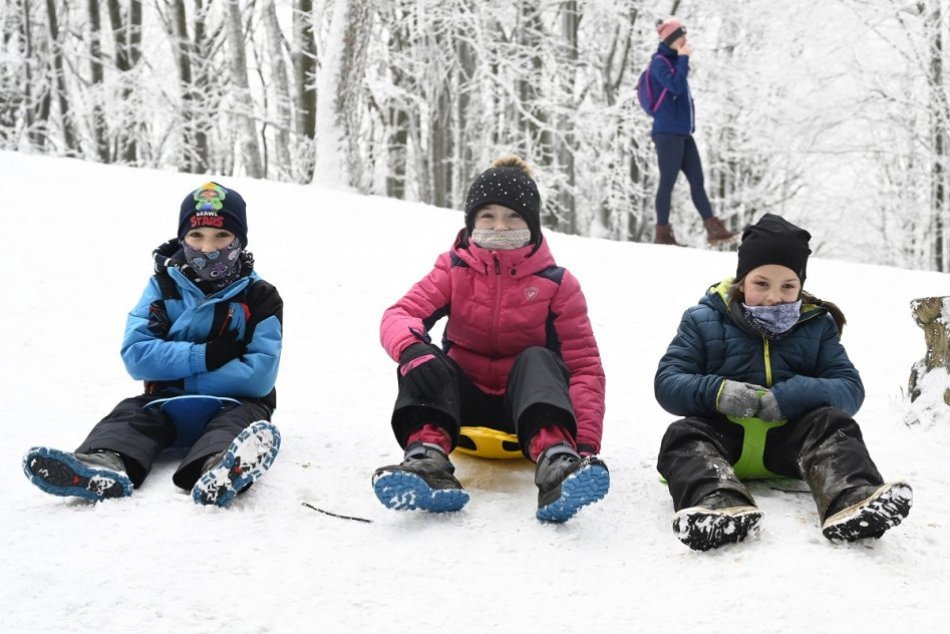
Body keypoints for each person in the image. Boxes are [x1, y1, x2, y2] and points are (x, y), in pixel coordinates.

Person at [654, 213, 912, 550]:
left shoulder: (816, 325)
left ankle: (851, 497)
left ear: (800, 286)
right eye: (762, 283)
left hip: (790, 445)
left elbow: (849, 387)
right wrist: (720, 392)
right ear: (742, 280)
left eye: (788, 286)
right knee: (683, 436)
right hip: (722, 439)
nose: (774, 297)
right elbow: (668, 381)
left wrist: (793, 396)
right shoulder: (702, 320)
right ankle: (716, 502)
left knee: (833, 423)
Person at [373, 155, 609, 523]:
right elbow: (400, 315)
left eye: (514, 217)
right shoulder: (454, 270)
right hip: (460, 406)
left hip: (529, 411)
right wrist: (412, 349)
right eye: (489, 216)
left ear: (531, 223)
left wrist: (585, 444)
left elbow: (584, 367)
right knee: (426, 360)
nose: (501, 226)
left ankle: (558, 467)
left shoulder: (557, 284)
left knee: (537, 357)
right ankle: (428, 459)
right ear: (472, 222)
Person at [22, 182, 284, 507]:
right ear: (182, 238)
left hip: (235, 402)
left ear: (239, 240)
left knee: (233, 426)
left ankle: (220, 467)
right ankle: (101, 465)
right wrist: (203, 356)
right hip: (165, 401)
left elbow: (259, 376)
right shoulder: (162, 287)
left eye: (221, 237)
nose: (207, 248)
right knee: (129, 416)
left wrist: (174, 374)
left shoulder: (261, 297)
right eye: (197, 236)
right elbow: (136, 354)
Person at [648, 18, 734, 246]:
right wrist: (684, 57)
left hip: (683, 133)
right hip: (667, 133)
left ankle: (713, 229)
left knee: (697, 180)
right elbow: (675, 86)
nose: (685, 40)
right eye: (681, 36)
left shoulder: (675, 62)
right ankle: (662, 234)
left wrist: (682, 59)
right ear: (670, 40)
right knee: (667, 182)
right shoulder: (659, 63)